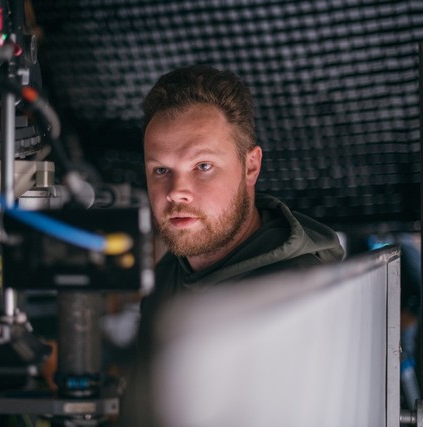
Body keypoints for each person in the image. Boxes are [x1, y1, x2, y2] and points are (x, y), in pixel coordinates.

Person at [121, 64, 345, 426]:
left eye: (203, 166)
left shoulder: (300, 297)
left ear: (250, 166)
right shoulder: (167, 276)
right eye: (161, 170)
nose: (176, 191)